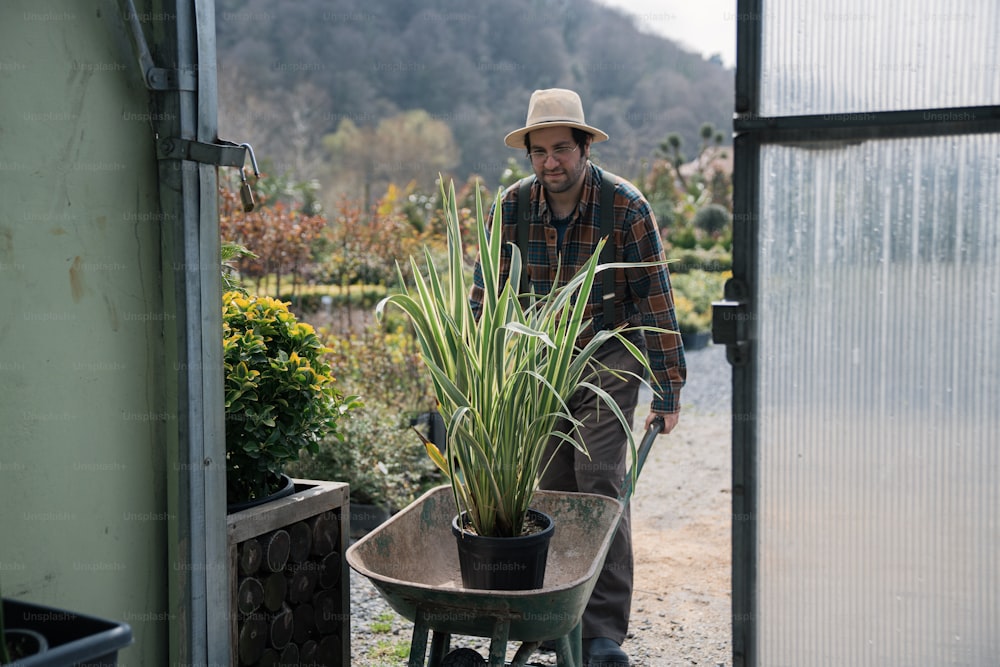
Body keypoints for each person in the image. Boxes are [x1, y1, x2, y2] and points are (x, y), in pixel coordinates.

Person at [469, 88, 686, 666]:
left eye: (561, 148)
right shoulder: (511, 208)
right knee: (547, 486)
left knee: (598, 482)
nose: (550, 162)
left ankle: (601, 633)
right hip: (536, 361)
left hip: (607, 352)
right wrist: (478, 379)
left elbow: (657, 300)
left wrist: (668, 388)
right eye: (539, 151)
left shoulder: (626, 208)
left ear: (584, 146)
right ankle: (551, 616)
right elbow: (483, 298)